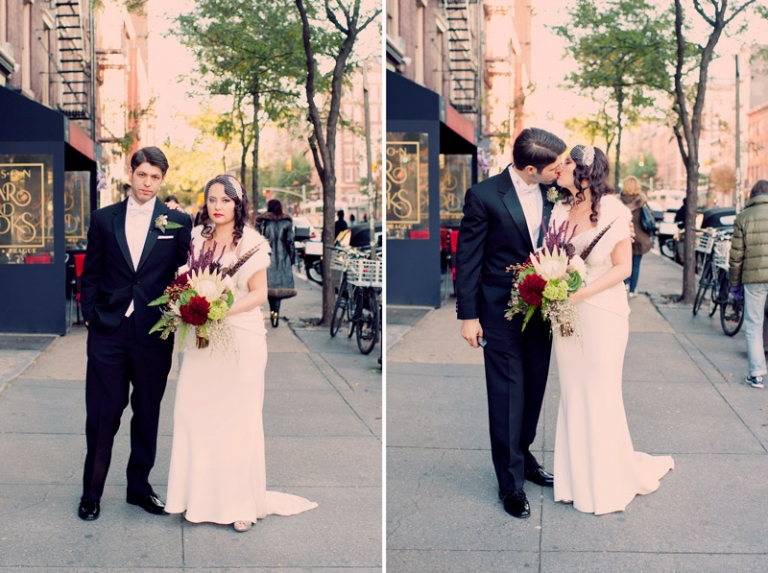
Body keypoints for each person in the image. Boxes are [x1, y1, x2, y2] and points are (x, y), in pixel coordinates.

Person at [165, 175, 317, 532]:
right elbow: (185, 280)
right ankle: (196, 499)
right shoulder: (196, 237)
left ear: (239, 204)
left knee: (237, 421)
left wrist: (218, 308)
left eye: (225, 200)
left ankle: (240, 505)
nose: (217, 206)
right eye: (212, 199)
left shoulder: (251, 241)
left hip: (241, 339)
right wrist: (186, 302)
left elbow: (258, 293)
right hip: (202, 340)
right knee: (193, 414)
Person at [549, 145, 674, 515]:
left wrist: (580, 293)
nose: (561, 167)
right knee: (573, 391)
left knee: (599, 391)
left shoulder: (615, 211)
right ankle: (574, 481)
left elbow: (622, 268)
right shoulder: (558, 209)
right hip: (566, 316)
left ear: (585, 171)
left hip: (602, 312)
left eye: (568, 163)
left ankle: (604, 483)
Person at [456, 127, 567, 519]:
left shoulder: (556, 193)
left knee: (535, 387)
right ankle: (510, 483)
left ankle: (524, 455)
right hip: (498, 310)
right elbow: (467, 259)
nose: (560, 170)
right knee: (507, 393)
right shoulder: (484, 195)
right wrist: (468, 316)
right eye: (554, 166)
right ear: (531, 168)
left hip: (544, 307)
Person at [78, 147, 193, 521]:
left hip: (154, 333)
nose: (147, 183)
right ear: (131, 174)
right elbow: (91, 272)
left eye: (155, 177)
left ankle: (139, 489)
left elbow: (187, 274)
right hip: (108, 331)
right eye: (142, 174)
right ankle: (91, 492)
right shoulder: (103, 218)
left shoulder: (177, 222)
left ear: (162, 179)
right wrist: (91, 316)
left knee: (146, 413)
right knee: (102, 414)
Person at [729, 179, 768, 389]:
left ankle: (757, 374)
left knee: (753, 324)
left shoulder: (744, 217)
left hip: (753, 280)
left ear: (752, 195)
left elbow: (736, 256)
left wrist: (734, 284)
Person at [256, 199, 297, 328]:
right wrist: (292, 259)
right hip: (282, 259)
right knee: (278, 289)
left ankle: (272, 312)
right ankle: (275, 314)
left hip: (266, 258)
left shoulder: (263, 222)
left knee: (268, 287)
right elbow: (290, 242)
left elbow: (256, 241)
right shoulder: (286, 222)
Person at [620, 176, 652, 298]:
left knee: (623, 262)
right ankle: (632, 291)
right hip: (640, 238)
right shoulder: (642, 201)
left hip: (623, 235)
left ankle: (626, 283)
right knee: (636, 264)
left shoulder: (619, 201)